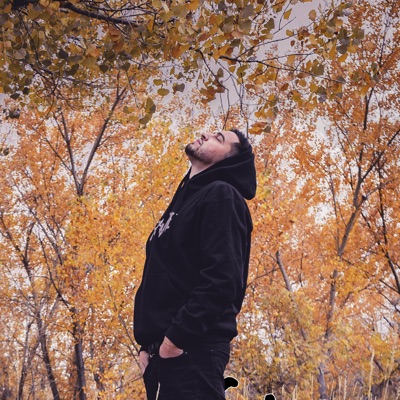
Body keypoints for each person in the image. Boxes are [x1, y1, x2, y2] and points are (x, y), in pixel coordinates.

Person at [133, 128, 257, 400]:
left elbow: (223, 280)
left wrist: (174, 342)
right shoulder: (185, 201)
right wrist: (147, 346)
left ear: (230, 160)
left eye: (219, 139)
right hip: (164, 357)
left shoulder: (222, 196)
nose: (207, 134)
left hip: (190, 352)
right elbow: (163, 277)